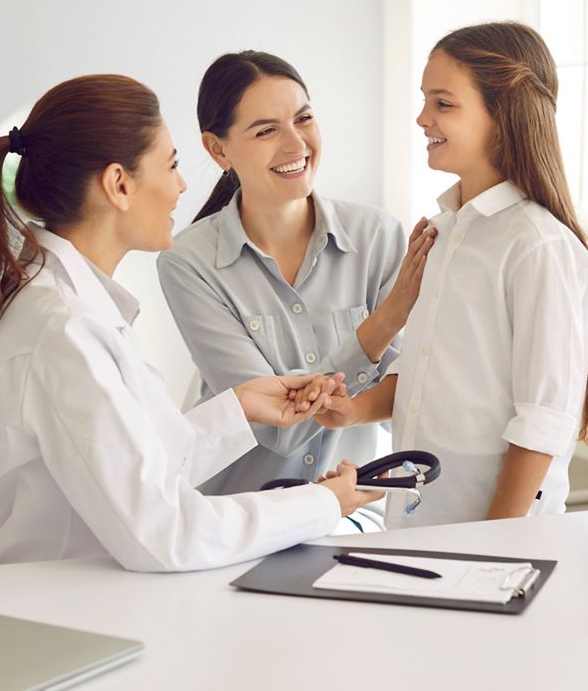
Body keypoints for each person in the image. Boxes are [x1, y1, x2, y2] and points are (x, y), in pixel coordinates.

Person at [0, 74, 377, 572]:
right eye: (172, 165)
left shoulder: (62, 304)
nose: (183, 186)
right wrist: (323, 504)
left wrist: (238, 409)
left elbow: (135, 467)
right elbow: (168, 535)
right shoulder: (64, 330)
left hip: (78, 579)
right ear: (119, 185)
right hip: (63, 601)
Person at [314, 22, 588, 527]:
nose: (422, 118)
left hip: (491, 536)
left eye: (443, 103)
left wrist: (493, 542)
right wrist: (354, 410)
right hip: (419, 519)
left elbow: (542, 423)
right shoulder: (444, 233)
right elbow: (425, 372)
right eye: (424, 100)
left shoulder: (539, 247)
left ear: (502, 117)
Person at [157, 51, 436, 495]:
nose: (296, 144)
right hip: (237, 515)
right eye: (266, 130)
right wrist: (388, 317)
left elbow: (410, 387)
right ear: (218, 149)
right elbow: (277, 429)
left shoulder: (377, 235)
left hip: (353, 511)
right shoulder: (188, 263)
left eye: (303, 118)